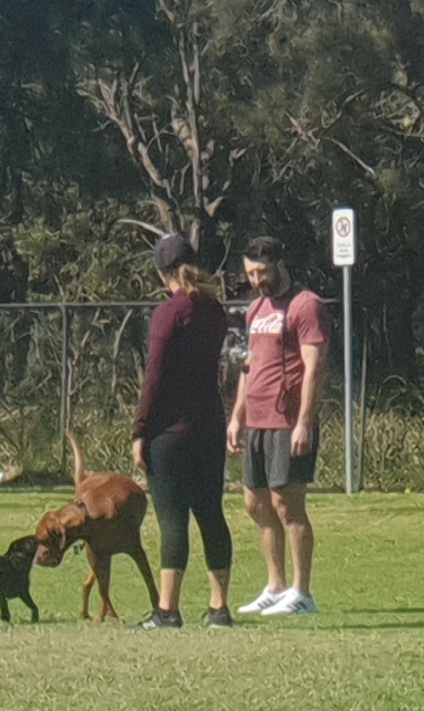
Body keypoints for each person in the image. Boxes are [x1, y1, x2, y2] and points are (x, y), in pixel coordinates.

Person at [133, 231, 235, 629]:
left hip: (171, 432)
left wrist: (141, 429)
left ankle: (168, 609)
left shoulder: (169, 313)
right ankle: (219, 608)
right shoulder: (214, 310)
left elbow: (155, 376)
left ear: (163, 273)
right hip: (209, 425)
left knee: (173, 519)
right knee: (211, 513)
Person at [228, 236, 325, 614]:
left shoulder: (305, 305)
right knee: (255, 502)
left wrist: (304, 422)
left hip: (288, 420)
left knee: (287, 502)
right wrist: (237, 416)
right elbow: (248, 365)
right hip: (257, 419)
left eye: (262, 272)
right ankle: (276, 585)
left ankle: (302, 593)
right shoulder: (256, 309)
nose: (257, 280)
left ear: (280, 264)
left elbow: (313, 368)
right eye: (251, 273)